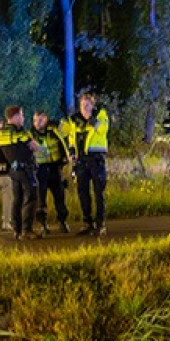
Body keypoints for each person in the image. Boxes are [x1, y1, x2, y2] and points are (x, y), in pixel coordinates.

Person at [70, 91, 110, 236]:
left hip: (96, 158)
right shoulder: (76, 120)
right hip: (81, 160)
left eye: (87, 105)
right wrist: (72, 153)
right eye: (82, 105)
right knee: (83, 192)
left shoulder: (101, 115)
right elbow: (72, 137)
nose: (84, 108)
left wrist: (90, 118)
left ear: (92, 106)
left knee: (99, 191)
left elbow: (102, 130)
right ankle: (87, 223)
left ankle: (101, 224)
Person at [0, 105, 40, 240]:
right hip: (25, 169)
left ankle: (17, 229)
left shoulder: (2, 133)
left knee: (18, 199)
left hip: (13, 169)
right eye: (21, 115)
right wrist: (31, 144)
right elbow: (34, 146)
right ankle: (27, 230)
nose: (23, 118)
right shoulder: (20, 132)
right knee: (31, 196)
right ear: (15, 117)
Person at [31, 110, 72, 235]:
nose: (38, 123)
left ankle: (62, 221)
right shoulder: (31, 135)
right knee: (40, 199)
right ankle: (42, 224)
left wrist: (58, 122)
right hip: (40, 170)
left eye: (41, 120)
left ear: (46, 120)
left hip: (55, 168)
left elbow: (68, 128)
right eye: (36, 120)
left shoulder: (54, 131)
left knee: (60, 197)